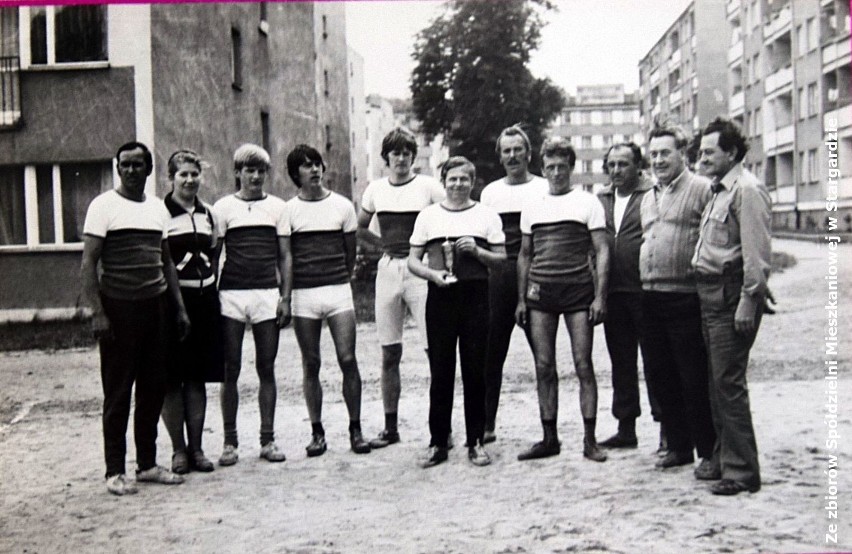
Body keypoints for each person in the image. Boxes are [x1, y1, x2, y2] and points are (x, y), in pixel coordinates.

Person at [80, 141, 190, 495]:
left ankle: (146, 464)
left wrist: (179, 308)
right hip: (119, 308)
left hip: (155, 306)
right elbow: (88, 263)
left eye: (137, 165)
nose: (130, 171)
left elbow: (167, 262)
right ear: (117, 168)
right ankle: (115, 471)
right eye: (124, 165)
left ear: (148, 169)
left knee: (153, 389)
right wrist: (98, 312)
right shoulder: (103, 206)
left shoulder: (158, 208)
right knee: (118, 392)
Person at [515, 136, 610, 463]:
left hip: (578, 292)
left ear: (572, 168)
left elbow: (602, 250)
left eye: (562, 167)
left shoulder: (587, 202)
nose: (556, 172)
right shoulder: (533, 205)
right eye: (550, 167)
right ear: (543, 169)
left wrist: (600, 297)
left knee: (583, 364)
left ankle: (590, 440)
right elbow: (525, 255)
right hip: (541, 292)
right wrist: (521, 300)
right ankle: (549, 438)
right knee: (543, 366)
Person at [408, 156, 506, 468]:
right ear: (444, 182)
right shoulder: (428, 216)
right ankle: (439, 441)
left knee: (475, 371)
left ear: (473, 182)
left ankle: (475, 441)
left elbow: (502, 259)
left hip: (476, 296)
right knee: (441, 371)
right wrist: (433, 275)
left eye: (464, 179)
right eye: (452, 179)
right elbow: (413, 260)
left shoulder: (487, 215)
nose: (458, 185)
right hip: (441, 295)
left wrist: (477, 251)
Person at [693, 116, 771, 495]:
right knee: (716, 382)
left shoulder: (747, 190)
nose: (702, 157)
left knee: (728, 383)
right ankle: (726, 459)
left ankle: (742, 473)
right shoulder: (719, 190)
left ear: (732, 153)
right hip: (710, 296)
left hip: (730, 297)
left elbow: (756, 256)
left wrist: (749, 300)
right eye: (701, 151)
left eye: (710, 151)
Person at [357, 128, 444, 448]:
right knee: (390, 350)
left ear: (413, 156)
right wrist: (385, 246)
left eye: (407, 153)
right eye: (395, 153)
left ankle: (441, 428)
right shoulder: (375, 189)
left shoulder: (429, 186)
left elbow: (448, 219)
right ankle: (390, 428)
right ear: (386, 158)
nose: (401, 159)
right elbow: (360, 228)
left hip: (421, 272)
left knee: (434, 349)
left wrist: (427, 254)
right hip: (389, 270)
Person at [284, 144, 372, 456]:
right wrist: (288, 295)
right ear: (296, 174)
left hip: (337, 291)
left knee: (348, 359)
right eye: (307, 166)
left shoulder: (342, 206)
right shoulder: (289, 210)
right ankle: (317, 432)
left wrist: (340, 278)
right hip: (304, 294)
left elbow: (351, 253)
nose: (314, 170)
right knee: (311, 362)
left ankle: (356, 429)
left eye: (317, 164)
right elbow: (288, 256)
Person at [639, 123, 716, 471]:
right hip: (650, 296)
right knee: (661, 375)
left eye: (664, 153)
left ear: (682, 154)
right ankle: (679, 447)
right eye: (653, 154)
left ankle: (709, 451)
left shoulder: (702, 189)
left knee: (693, 376)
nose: (658, 160)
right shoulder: (648, 196)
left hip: (686, 296)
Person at [212, 144, 291, 466]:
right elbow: (214, 256)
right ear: (237, 173)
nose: (255, 176)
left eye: (260, 171)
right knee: (230, 368)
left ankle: (267, 440)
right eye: (249, 170)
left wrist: (285, 297)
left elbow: (285, 256)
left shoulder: (277, 207)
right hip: (231, 294)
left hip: (266, 295)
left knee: (266, 367)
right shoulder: (222, 208)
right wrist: (212, 296)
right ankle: (229, 442)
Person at [479, 125, 549, 444]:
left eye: (517, 149)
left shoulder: (544, 188)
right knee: (491, 353)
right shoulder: (490, 192)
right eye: (506, 151)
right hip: (499, 276)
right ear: (500, 156)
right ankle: (486, 424)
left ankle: (550, 425)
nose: (512, 156)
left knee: (543, 354)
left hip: (536, 274)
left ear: (528, 153)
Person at [596, 143, 663, 451]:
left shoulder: (653, 194)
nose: (616, 170)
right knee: (621, 361)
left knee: (656, 361)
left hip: (646, 290)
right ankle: (626, 428)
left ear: (638, 166)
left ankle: (668, 430)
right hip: (614, 292)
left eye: (623, 164)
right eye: (611, 164)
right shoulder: (601, 199)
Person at [160, 150, 224, 474]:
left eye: (194, 174)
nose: (189, 180)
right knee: (172, 378)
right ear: (171, 178)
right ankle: (178, 451)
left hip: (204, 301)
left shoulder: (208, 212)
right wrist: (177, 306)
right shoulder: (161, 213)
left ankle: (197, 448)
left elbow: (214, 251)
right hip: (172, 302)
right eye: (183, 174)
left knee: (197, 377)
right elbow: (162, 260)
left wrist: (209, 285)